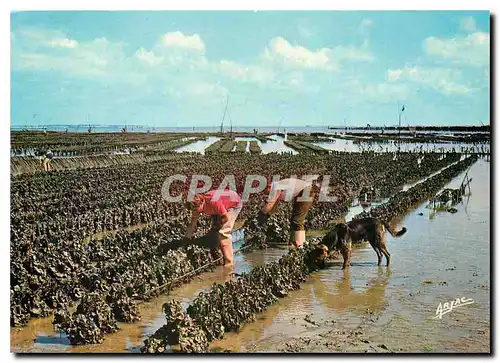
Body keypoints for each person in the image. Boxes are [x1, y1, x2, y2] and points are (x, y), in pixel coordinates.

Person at [185, 189, 243, 266]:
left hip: (234, 204)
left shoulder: (213, 200)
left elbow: (225, 218)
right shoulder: (196, 206)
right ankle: (220, 251)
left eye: (196, 208)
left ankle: (229, 262)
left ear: (202, 202)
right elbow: (192, 224)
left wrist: (218, 226)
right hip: (219, 207)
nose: (195, 211)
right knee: (215, 232)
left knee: (223, 232)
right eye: (193, 209)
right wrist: (185, 241)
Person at [257, 177, 320, 248]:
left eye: (265, 191)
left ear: (268, 186)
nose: (265, 194)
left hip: (307, 190)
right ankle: (293, 242)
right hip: (303, 191)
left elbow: (270, 204)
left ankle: (300, 245)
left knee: (297, 220)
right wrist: (266, 216)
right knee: (294, 219)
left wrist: (258, 217)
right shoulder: (276, 187)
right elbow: (273, 206)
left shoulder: (275, 187)